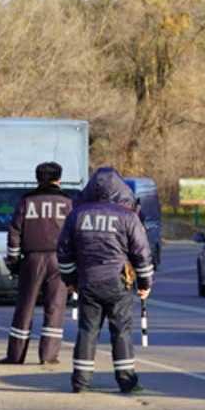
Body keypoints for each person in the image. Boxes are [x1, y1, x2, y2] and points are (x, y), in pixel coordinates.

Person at [56, 167, 153, 394]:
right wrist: (145, 284)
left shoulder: (77, 215)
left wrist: (70, 280)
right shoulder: (127, 216)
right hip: (118, 283)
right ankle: (127, 382)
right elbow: (142, 252)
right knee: (121, 332)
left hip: (88, 282)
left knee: (88, 331)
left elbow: (63, 251)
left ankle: (80, 382)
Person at [0, 162, 74, 365]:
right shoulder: (67, 202)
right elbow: (74, 234)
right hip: (59, 260)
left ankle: (15, 355)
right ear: (59, 179)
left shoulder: (27, 201)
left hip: (31, 260)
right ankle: (48, 356)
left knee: (25, 307)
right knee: (55, 307)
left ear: (38, 178)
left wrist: (14, 261)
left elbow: (15, 231)